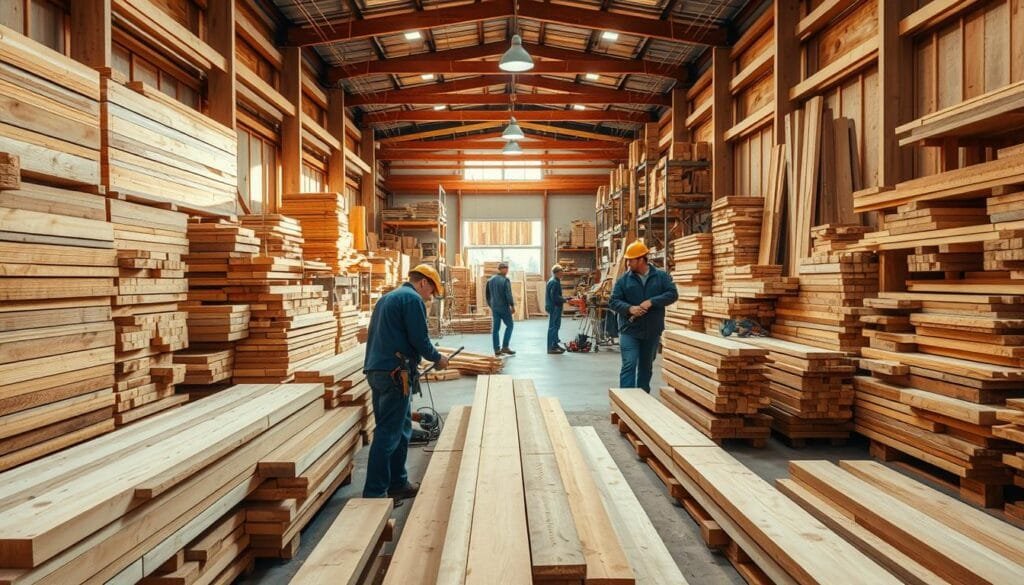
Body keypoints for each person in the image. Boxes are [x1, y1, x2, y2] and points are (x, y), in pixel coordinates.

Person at [362, 264, 449, 505]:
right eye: (431, 291)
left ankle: (397, 483)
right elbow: (419, 338)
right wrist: (437, 357)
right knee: (389, 433)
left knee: (399, 429)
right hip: (394, 374)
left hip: (378, 370)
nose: (430, 297)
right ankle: (375, 494)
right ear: (423, 283)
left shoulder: (388, 298)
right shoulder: (412, 300)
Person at [609, 240, 678, 393]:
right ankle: (626, 400)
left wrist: (652, 302)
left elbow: (673, 294)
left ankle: (642, 400)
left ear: (641, 259)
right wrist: (630, 309)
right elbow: (613, 302)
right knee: (629, 363)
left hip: (652, 331)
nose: (627, 263)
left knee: (646, 367)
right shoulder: (623, 281)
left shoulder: (661, 276)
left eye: (630, 260)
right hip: (629, 330)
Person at [485, 261, 516, 357]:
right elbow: (508, 294)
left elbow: (487, 294)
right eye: (505, 268)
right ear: (501, 269)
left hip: (495, 307)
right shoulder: (505, 280)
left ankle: (497, 349)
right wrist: (512, 305)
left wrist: (491, 305)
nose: (507, 270)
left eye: (507, 268)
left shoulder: (490, 280)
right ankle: (505, 347)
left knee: (496, 329)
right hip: (503, 307)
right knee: (510, 325)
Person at [545, 264, 567, 354]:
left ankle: (554, 344)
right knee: (553, 327)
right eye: (561, 271)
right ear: (557, 272)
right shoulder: (554, 282)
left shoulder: (554, 280)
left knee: (556, 326)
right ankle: (551, 347)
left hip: (554, 306)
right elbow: (554, 297)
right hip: (554, 307)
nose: (563, 273)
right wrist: (564, 299)